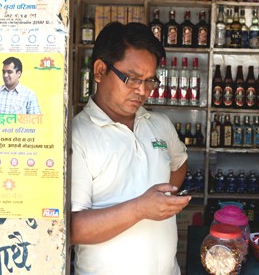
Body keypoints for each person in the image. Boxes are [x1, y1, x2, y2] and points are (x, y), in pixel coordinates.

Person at [70, 22, 190, 275]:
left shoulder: (159, 124)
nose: (142, 91)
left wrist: (164, 200)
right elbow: (72, 229)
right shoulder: (77, 135)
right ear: (100, 71)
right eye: (133, 79)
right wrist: (140, 208)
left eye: (149, 81)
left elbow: (178, 164)